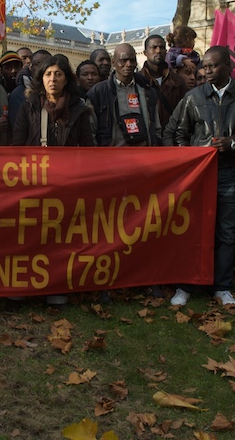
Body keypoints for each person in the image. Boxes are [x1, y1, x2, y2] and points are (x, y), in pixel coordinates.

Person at [163, 46, 235, 307]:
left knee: (227, 232)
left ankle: (222, 286)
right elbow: (179, 133)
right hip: (199, 176)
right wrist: (188, 160)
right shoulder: (193, 97)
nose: (206, 71)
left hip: (230, 174)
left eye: (212, 66)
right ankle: (185, 285)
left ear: (229, 67)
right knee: (192, 229)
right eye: (204, 66)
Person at [12, 54, 94, 307]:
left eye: (58, 74)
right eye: (48, 74)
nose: (52, 79)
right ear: (41, 78)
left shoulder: (79, 110)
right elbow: (17, 144)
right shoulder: (29, 106)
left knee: (61, 237)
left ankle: (56, 287)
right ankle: (22, 288)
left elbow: (89, 150)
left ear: (66, 79)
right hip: (34, 181)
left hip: (67, 183)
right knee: (29, 237)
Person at [86, 43, 160, 303]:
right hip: (111, 168)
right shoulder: (98, 92)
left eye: (131, 60)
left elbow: (156, 127)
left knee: (143, 224)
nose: (128, 65)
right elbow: (92, 132)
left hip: (143, 168)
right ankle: (106, 282)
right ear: (113, 63)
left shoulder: (147, 91)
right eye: (123, 60)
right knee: (110, 226)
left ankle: (146, 278)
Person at [140, 35, 189, 132]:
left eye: (162, 47)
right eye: (154, 47)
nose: (158, 51)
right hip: (148, 140)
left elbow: (186, 114)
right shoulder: (138, 81)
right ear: (145, 53)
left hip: (171, 139)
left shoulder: (178, 81)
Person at [9, 49, 51, 127]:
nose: (43, 67)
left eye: (47, 64)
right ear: (30, 67)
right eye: (38, 64)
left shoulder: (57, 92)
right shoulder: (19, 94)